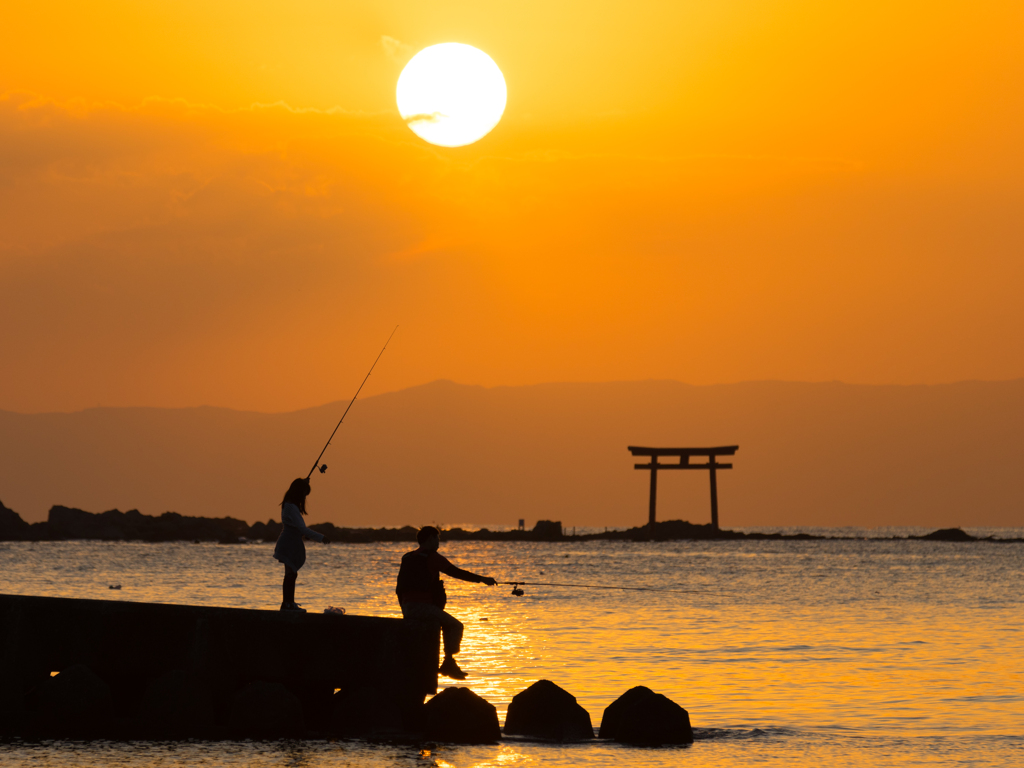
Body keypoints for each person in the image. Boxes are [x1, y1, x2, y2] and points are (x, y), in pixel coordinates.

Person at [396, 526, 496, 680]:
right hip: (423, 608)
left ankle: (447, 663)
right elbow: (457, 573)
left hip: (408, 608)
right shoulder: (433, 557)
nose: (438, 542)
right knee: (456, 625)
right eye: (437, 539)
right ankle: (448, 662)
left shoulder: (407, 557)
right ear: (430, 538)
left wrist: (404, 609)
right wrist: (482, 579)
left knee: (439, 622)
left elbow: (399, 588)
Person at [273, 477, 329, 612]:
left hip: (289, 542)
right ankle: (287, 604)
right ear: (299, 493)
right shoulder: (291, 507)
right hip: (289, 544)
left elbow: (297, 528)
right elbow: (302, 529)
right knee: (290, 574)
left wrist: (304, 482)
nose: (304, 497)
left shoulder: (288, 504)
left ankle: (288, 603)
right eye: (304, 494)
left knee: (291, 573)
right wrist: (321, 538)